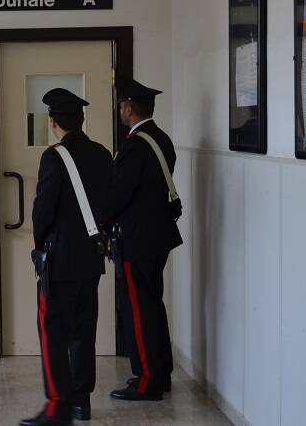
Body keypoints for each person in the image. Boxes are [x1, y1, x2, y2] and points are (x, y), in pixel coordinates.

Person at [20, 89, 113, 426]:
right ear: (82, 120)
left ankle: (57, 406)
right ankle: (81, 402)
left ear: (53, 122)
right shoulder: (103, 154)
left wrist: (39, 245)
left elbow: (43, 209)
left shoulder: (54, 156)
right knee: (83, 329)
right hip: (91, 256)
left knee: (53, 331)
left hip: (59, 260)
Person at [107, 78, 182, 401]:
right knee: (151, 303)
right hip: (157, 236)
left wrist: (101, 218)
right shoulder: (160, 139)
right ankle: (160, 370)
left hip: (135, 239)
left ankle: (147, 379)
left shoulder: (136, 145)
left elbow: (119, 194)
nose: (120, 110)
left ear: (128, 108)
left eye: (122, 105)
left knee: (138, 308)